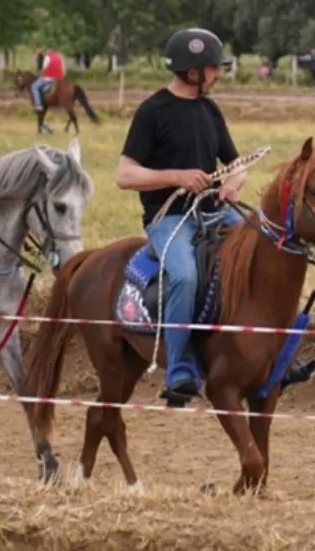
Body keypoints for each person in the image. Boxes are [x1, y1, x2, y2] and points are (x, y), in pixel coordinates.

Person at [116, 27, 249, 406]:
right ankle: (178, 369)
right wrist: (177, 177)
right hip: (168, 219)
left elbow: (236, 163)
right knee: (185, 275)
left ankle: (275, 352)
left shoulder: (209, 110)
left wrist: (234, 183)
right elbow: (124, 175)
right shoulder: (152, 111)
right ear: (193, 73)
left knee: (262, 248)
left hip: (214, 213)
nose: (218, 75)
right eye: (213, 68)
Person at [30, 47, 64, 131]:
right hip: (58, 78)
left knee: (34, 87)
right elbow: (63, 70)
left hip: (48, 77)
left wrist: (41, 75)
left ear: (49, 50)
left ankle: (38, 105)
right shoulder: (59, 57)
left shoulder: (47, 57)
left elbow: (44, 68)